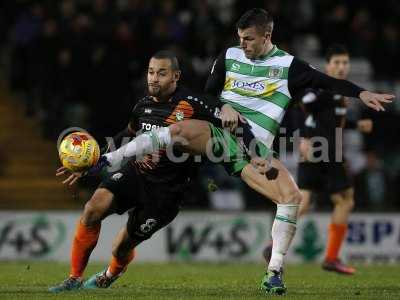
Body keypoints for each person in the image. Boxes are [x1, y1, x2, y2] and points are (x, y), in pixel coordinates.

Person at [202, 8, 393, 294]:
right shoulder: (231, 57)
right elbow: (207, 94)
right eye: (240, 38)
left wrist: (361, 94)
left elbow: (329, 93)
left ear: (267, 35)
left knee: (298, 198)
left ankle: (278, 267)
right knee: (175, 136)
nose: (242, 45)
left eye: (248, 39)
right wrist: (225, 106)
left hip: (261, 150)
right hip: (233, 139)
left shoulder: (292, 68)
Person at [49, 50, 273, 293]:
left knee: (120, 248)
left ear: (176, 76)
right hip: (136, 174)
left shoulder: (191, 103)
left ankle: (111, 273)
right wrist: (93, 162)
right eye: (151, 72)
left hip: (167, 192)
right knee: (93, 209)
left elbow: (231, 119)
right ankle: (73, 278)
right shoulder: (142, 105)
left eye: (161, 73)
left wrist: (245, 137)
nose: (153, 78)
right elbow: (127, 135)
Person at [296, 45, 373, 274]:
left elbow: (323, 119)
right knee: (346, 199)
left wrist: (355, 125)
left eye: (345, 63)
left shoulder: (337, 92)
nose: (341, 67)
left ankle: (273, 244)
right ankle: (331, 257)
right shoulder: (324, 87)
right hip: (324, 150)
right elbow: (304, 103)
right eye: (336, 63)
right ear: (328, 65)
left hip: (316, 148)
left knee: (304, 200)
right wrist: (306, 137)